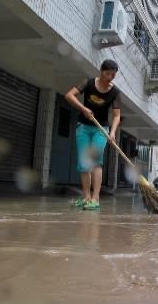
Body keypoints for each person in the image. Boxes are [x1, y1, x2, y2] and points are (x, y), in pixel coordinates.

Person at [65, 59, 122, 210]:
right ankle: (86, 198)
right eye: (107, 73)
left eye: (113, 75)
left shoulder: (115, 92)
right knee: (84, 164)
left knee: (96, 162)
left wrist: (113, 132)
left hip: (101, 129)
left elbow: (116, 116)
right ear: (101, 71)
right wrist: (83, 108)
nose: (110, 77)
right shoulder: (88, 83)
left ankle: (95, 199)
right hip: (83, 127)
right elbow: (69, 95)